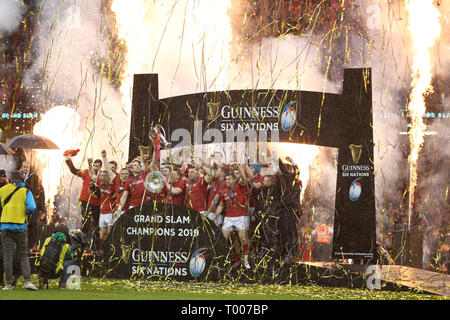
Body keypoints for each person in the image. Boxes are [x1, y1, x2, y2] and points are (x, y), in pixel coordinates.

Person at [0, 170, 38, 290]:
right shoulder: (26, 191)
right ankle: (28, 282)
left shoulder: (2, 190)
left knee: (7, 255)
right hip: (20, 227)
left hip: (5, 226)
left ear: (10, 179)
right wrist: (25, 213)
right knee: (23, 255)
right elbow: (32, 207)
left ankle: (8, 284)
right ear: (22, 179)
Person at [211, 164, 251, 269]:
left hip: (240, 217)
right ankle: (223, 260)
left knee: (243, 239)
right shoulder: (224, 191)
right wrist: (215, 215)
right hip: (228, 218)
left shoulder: (240, 186)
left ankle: (245, 260)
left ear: (234, 180)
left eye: (229, 180)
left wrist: (239, 168)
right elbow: (221, 205)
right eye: (226, 180)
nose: (227, 181)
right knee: (224, 239)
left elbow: (244, 179)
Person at [64, 155, 102, 252]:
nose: (94, 167)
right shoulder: (86, 172)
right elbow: (74, 170)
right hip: (85, 201)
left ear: (100, 167)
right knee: (85, 224)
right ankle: (82, 248)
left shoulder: (101, 176)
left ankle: (95, 248)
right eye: (93, 165)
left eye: (97, 166)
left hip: (97, 204)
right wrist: (68, 160)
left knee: (96, 226)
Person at [36, 223, 76, 289]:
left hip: (42, 269)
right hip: (55, 272)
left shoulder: (48, 240)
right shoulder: (66, 245)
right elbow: (71, 256)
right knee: (71, 262)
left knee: (42, 260)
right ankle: (62, 283)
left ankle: (42, 279)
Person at [97, 171, 119, 254]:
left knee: (110, 233)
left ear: (107, 177)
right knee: (103, 235)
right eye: (100, 176)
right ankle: (103, 250)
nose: (101, 177)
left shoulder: (112, 185)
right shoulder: (99, 186)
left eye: (103, 176)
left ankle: (111, 250)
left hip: (110, 212)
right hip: (102, 213)